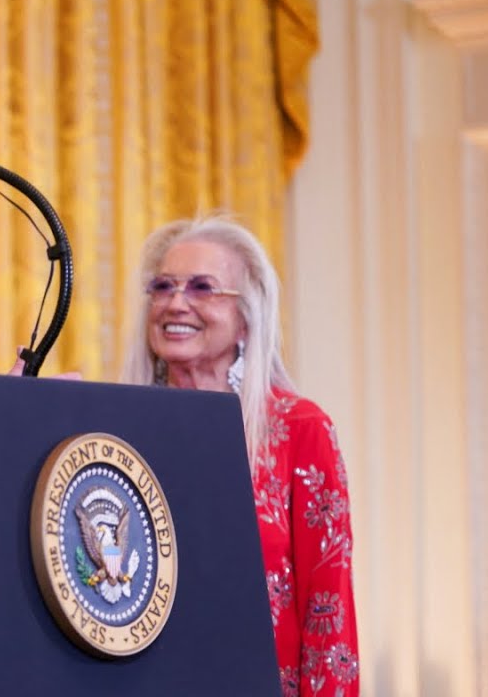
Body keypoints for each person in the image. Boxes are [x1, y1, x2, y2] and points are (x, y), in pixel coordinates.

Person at [121, 213, 359, 696]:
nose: (175, 302)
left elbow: (328, 611)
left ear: (246, 318)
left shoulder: (299, 431)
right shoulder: (119, 428)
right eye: (163, 286)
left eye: (202, 288)